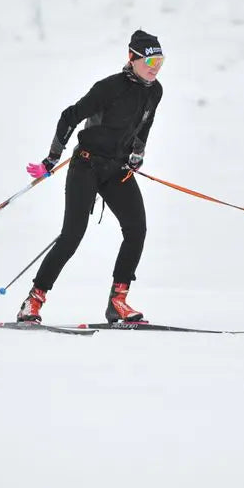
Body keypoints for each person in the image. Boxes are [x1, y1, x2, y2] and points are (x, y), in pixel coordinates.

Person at [18, 29, 165, 324]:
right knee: (72, 236)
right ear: (132, 59)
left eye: (159, 62)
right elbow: (69, 116)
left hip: (117, 170)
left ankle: (117, 303)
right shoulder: (109, 87)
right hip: (85, 165)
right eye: (149, 62)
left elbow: (144, 125)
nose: (155, 68)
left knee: (137, 229)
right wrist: (51, 159)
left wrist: (137, 154)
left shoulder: (155, 91)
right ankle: (32, 302)